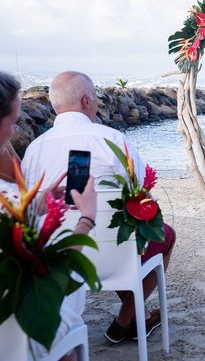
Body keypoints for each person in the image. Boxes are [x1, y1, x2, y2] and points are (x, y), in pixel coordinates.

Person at [21, 71, 176, 344]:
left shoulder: (34, 149)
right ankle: (127, 318)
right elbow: (143, 195)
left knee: (121, 236)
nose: (96, 104)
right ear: (85, 100)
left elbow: (28, 206)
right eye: (95, 98)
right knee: (163, 234)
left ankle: (133, 315)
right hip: (113, 257)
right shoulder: (112, 140)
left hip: (56, 260)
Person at [0, 71, 97, 361]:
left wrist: (39, 202)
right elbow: (57, 269)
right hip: (10, 324)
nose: (15, 132)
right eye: (14, 122)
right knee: (65, 331)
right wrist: (87, 219)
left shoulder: (27, 156)